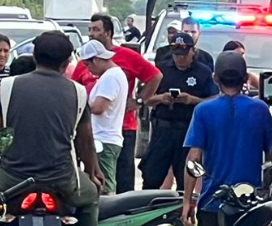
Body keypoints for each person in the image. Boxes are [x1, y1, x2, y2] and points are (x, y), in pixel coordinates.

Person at [0, 31, 102, 226]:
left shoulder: (8, 87)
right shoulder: (78, 92)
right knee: (91, 197)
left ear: (34, 56)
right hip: (62, 180)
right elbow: (85, 141)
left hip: (12, 180)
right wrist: (93, 172)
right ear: (66, 63)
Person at [180, 52, 272, 226]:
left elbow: (193, 159)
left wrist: (188, 201)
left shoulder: (203, 110)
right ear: (246, 78)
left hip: (212, 204)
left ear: (215, 78)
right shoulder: (260, 109)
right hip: (250, 205)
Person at [72, 14, 162, 194]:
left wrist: (139, 101)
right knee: (95, 178)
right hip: (95, 131)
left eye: (96, 30)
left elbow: (155, 76)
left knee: (116, 182)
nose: (91, 34)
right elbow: (73, 88)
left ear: (108, 33)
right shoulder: (97, 67)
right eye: (90, 30)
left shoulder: (121, 63)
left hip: (118, 129)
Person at [146, 31, 218, 191]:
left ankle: (182, 212)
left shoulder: (203, 72)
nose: (179, 58)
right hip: (163, 130)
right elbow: (144, 98)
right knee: (151, 176)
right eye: (176, 54)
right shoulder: (161, 70)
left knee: (185, 178)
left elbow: (214, 100)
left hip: (188, 131)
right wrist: (161, 98)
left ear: (193, 51)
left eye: (184, 55)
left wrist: (192, 100)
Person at [79, 40, 129, 194]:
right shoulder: (112, 75)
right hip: (104, 137)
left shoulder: (111, 77)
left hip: (104, 139)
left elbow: (98, 108)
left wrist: (81, 105)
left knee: (104, 185)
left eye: (88, 65)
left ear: (95, 59)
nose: (88, 70)